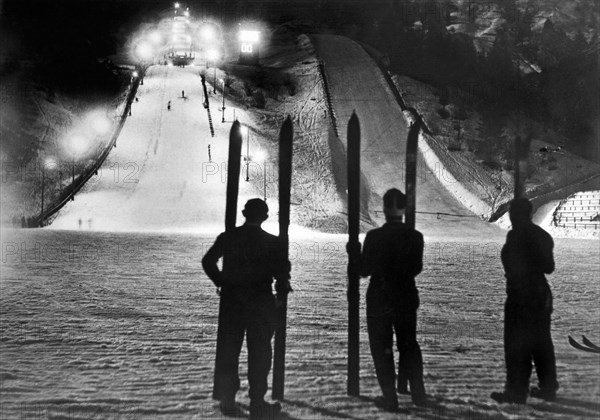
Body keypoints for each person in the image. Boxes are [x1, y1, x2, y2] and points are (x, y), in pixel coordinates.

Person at [202, 199, 291, 419]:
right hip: (261, 302)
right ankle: (258, 400)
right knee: (260, 352)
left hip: (232, 301)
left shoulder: (229, 237)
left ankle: (228, 398)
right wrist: (280, 296)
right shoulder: (273, 242)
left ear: (244, 213)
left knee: (229, 349)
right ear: (265, 217)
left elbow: (208, 261)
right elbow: (281, 273)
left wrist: (222, 281)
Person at [355, 188, 427, 411]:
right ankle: (418, 393)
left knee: (381, 347)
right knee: (409, 344)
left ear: (384, 208)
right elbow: (416, 268)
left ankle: (389, 397)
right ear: (404, 209)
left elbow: (364, 270)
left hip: (379, 296)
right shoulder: (415, 237)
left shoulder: (374, 237)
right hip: (405, 294)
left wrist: (355, 254)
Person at [491, 198, 558, 404]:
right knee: (541, 341)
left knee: (516, 343)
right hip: (540, 292)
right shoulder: (542, 236)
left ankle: (517, 390)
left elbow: (513, 266)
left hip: (521, 294)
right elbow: (549, 267)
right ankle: (548, 387)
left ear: (516, 214)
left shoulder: (515, 236)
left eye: (512, 212)